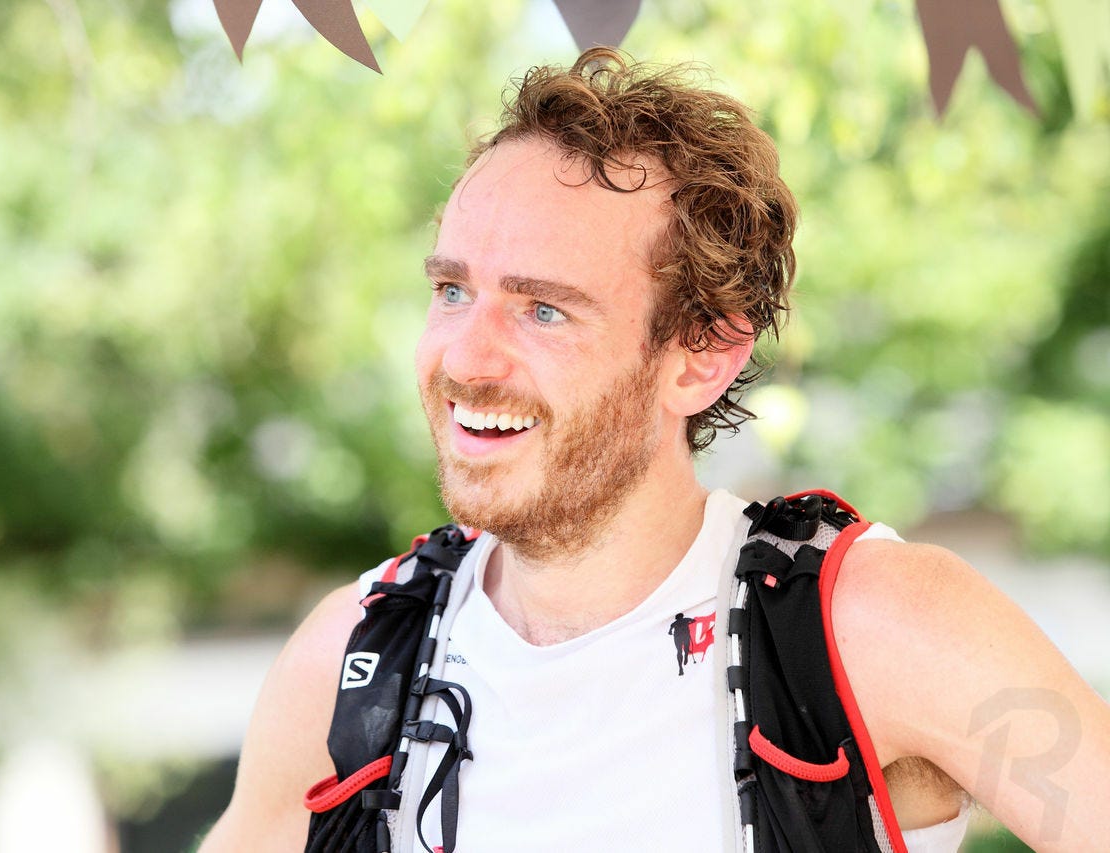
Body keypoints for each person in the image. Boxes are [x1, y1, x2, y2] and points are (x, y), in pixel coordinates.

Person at [201, 49, 1110, 852]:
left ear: (702, 356)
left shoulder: (876, 625)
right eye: (452, 291)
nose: (466, 359)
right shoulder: (349, 661)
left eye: (543, 309)